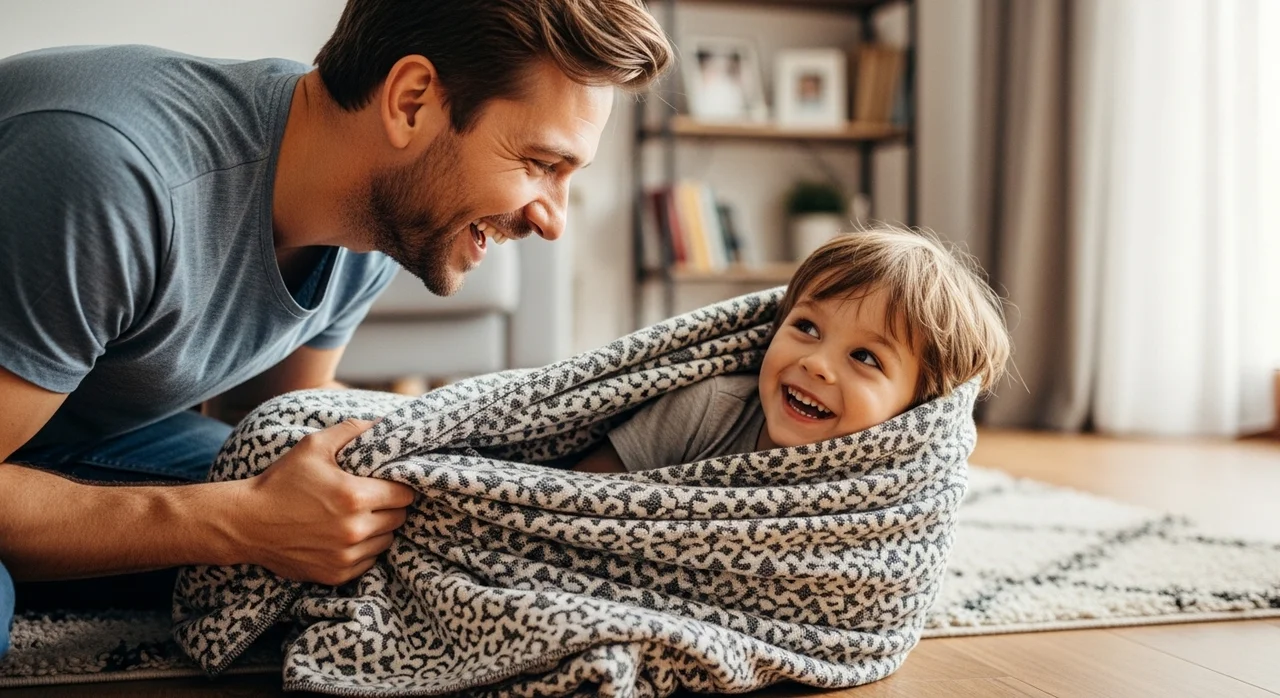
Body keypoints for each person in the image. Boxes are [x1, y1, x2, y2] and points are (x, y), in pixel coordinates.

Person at [0, 0, 672, 657]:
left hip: (77, 435)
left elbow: (270, 426)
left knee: (378, 533)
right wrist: (235, 522)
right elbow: (248, 507)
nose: (554, 220)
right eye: (539, 164)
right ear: (412, 101)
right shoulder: (111, 175)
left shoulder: (372, 226)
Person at [575, 226, 1012, 474]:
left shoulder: (892, 487)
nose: (816, 364)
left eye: (865, 357)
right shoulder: (705, 409)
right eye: (806, 326)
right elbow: (577, 499)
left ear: (917, 408)